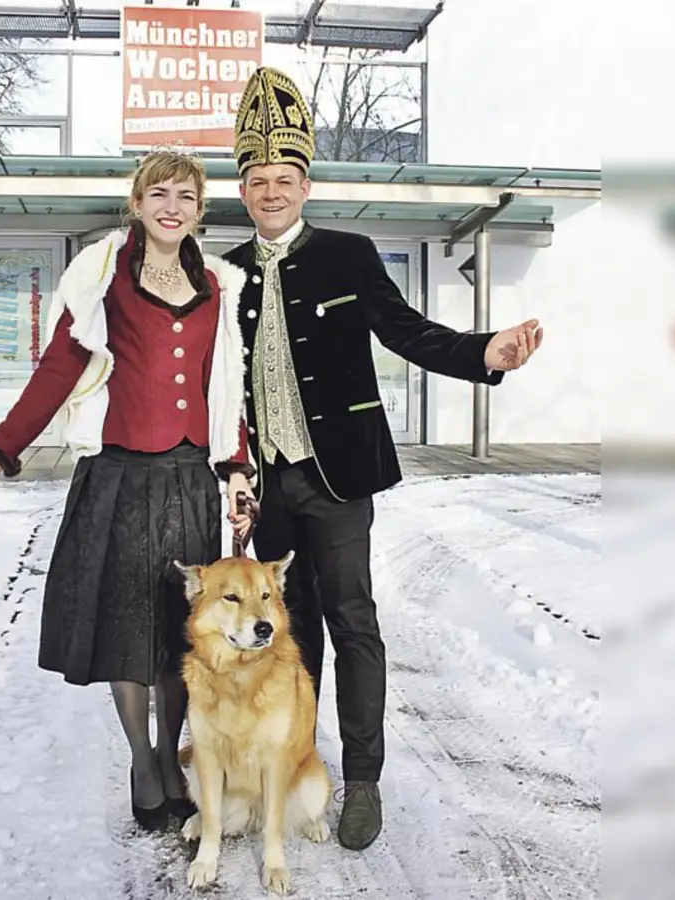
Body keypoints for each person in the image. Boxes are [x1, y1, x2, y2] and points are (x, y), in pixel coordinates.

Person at [223, 67, 545, 851]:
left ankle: (362, 780)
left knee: (353, 625)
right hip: (265, 490)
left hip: (335, 480)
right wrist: (226, 474)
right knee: (282, 638)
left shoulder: (348, 254)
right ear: (243, 187)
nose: (272, 191)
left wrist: (484, 353)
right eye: (258, 180)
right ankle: (293, 761)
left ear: (307, 184)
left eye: (285, 178)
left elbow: (407, 330)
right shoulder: (222, 270)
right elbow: (213, 385)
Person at [0, 149, 255, 831]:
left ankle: (174, 764)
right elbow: (58, 367)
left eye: (186, 196)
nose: (172, 206)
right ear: (137, 204)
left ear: (201, 210)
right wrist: (0, 450)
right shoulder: (103, 277)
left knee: (181, 637)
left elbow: (224, 386)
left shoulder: (220, 288)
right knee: (125, 634)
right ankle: (144, 762)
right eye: (159, 194)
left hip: (188, 482)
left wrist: (236, 467)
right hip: (119, 480)